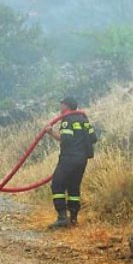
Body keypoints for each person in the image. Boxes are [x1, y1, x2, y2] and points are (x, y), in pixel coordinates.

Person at [43, 97, 97, 229]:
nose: (60, 108)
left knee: (57, 185)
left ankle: (62, 218)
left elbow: (65, 139)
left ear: (66, 106)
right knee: (73, 187)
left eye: (61, 105)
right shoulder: (84, 119)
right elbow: (93, 138)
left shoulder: (67, 120)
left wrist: (50, 132)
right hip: (82, 160)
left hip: (69, 159)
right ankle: (73, 219)